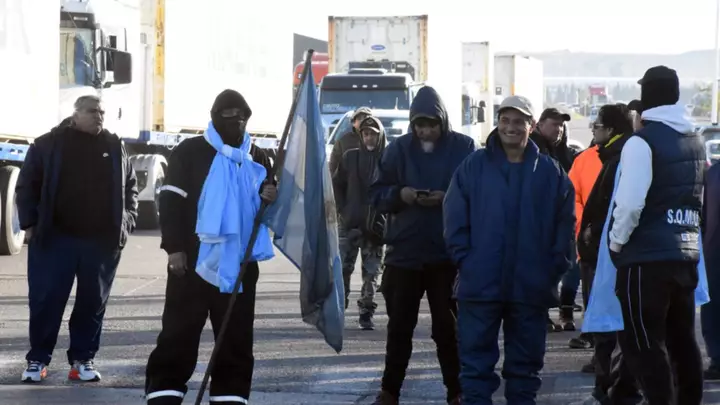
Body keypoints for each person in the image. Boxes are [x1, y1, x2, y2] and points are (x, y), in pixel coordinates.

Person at [144, 89, 277, 405]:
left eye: (242, 116)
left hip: (240, 265)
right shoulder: (190, 151)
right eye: (228, 115)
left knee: (235, 337)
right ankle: (164, 393)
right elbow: (171, 202)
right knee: (179, 332)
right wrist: (174, 248)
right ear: (215, 117)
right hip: (191, 261)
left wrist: (270, 197)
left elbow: (267, 213)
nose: (236, 121)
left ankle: (230, 396)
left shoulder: (258, 157)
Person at [444, 95, 575, 404]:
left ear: (532, 126)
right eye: (505, 120)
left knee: (525, 370)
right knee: (475, 369)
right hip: (480, 285)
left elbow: (565, 227)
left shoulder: (551, 173)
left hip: (530, 288)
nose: (510, 127)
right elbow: (454, 218)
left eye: (518, 121)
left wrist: (552, 270)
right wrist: (467, 261)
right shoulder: (473, 166)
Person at [16, 95, 138, 383]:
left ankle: (83, 360)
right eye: (93, 111)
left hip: (100, 243)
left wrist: (126, 223)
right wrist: (29, 224)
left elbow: (130, 188)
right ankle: (37, 360)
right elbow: (27, 185)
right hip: (55, 239)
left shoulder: (114, 146)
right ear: (75, 115)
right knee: (46, 301)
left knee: (92, 303)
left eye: (102, 112)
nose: (99, 116)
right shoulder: (47, 144)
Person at [369, 86, 475, 405]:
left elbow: (478, 193)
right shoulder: (398, 150)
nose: (425, 132)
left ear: (442, 122)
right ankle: (389, 391)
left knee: (448, 329)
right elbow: (376, 193)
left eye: (430, 125)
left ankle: (457, 391)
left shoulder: (463, 148)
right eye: (419, 125)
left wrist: (448, 199)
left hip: (446, 254)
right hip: (404, 253)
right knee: (399, 328)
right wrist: (400, 195)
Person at [608, 66, 705, 405]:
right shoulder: (695, 139)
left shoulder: (642, 142)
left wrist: (616, 242)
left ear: (646, 97)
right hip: (686, 254)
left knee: (643, 344)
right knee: (682, 343)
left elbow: (630, 203)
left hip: (645, 259)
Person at [575, 103, 643, 405]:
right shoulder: (615, 155)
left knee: (610, 327)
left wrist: (598, 233)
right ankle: (614, 387)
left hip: (610, 256)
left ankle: (609, 390)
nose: (593, 130)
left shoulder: (619, 158)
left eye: (598, 126)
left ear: (612, 130)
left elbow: (618, 208)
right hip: (608, 253)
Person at [332, 116, 387, 330]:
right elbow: (337, 185)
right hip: (349, 224)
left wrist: (386, 216)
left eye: (373, 134)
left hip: (375, 228)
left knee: (371, 273)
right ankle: (339, 307)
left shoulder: (388, 159)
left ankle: (366, 312)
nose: (369, 138)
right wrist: (343, 211)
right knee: (342, 269)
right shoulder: (350, 157)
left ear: (379, 136)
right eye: (365, 134)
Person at [531, 107, 578, 332]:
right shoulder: (533, 150)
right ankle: (540, 314)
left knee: (564, 266)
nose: (558, 129)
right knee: (541, 270)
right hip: (541, 221)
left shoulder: (562, 152)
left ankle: (559, 312)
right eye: (554, 124)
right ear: (540, 124)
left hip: (562, 219)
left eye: (561, 125)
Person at [702, 159, 720, 380]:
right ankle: (717, 358)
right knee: (713, 304)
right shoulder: (713, 172)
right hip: (714, 250)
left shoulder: (714, 173)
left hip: (713, 248)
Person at [329, 106, 372, 174]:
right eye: (360, 118)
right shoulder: (343, 142)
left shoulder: (379, 140)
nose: (363, 121)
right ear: (353, 123)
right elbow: (333, 167)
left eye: (366, 118)